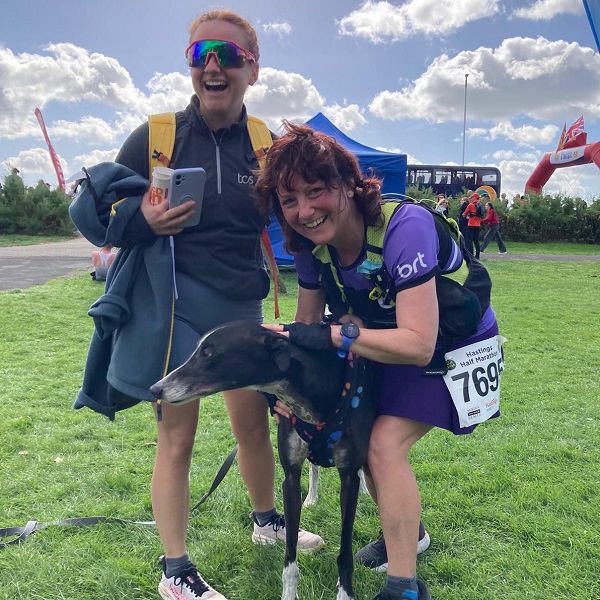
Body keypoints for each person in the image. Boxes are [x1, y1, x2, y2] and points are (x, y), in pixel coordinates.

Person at [69, 11, 323, 600]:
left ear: (252, 69)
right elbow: (93, 215)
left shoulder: (265, 144)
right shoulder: (157, 135)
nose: (213, 64)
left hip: (243, 306)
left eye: (227, 55)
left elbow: (306, 212)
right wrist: (143, 219)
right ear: (189, 64)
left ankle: (267, 521)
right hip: (177, 308)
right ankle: (176, 571)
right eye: (200, 54)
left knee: (252, 425)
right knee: (178, 437)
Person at [255, 122, 502, 600]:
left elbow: (418, 344)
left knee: (383, 445)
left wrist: (340, 333)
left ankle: (403, 588)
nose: (304, 211)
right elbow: (307, 333)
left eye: (316, 190)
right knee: (361, 429)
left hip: (457, 342)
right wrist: (287, 392)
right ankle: (411, 533)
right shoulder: (308, 246)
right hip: (390, 337)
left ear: (348, 184)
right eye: (289, 200)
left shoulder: (403, 226)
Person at [462, 192, 483, 258]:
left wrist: (465, 215)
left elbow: (464, 214)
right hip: (478, 225)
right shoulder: (481, 205)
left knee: (469, 240)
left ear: (474, 198)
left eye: (471, 198)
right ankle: (477, 255)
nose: (470, 199)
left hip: (471, 224)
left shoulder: (471, 205)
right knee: (476, 241)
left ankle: (470, 255)